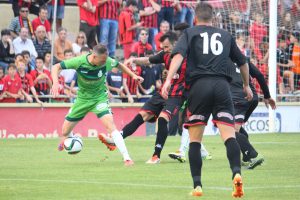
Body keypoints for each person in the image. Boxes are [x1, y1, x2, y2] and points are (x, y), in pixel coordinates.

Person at [161, 2, 252, 197]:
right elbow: (243, 62)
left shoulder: (190, 33)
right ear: (214, 18)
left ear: (195, 18)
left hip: (199, 87)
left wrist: (168, 80)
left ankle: (197, 186)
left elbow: (177, 56)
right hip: (222, 87)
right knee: (229, 136)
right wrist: (246, 85)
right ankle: (236, 173)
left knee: (195, 140)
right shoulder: (226, 35)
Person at [99, 31, 186, 164]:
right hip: (162, 92)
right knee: (142, 115)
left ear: (176, 44)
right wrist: (134, 60)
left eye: (167, 47)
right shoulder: (165, 55)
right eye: (163, 48)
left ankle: (156, 156)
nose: (164, 50)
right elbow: (148, 60)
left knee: (163, 120)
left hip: (177, 95)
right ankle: (117, 140)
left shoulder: (186, 56)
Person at [51, 44, 144, 166]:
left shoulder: (107, 61)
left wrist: (133, 75)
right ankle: (72, 139)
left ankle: (127, 158)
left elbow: (119, 65)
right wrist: (55, 83)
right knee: (64, 131)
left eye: (106, 60)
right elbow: (56, 66)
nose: (105, 62)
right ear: (94, 56)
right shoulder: (79, 61)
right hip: (82, 100)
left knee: (111, 126)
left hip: (99, 98)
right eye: (102, 60)